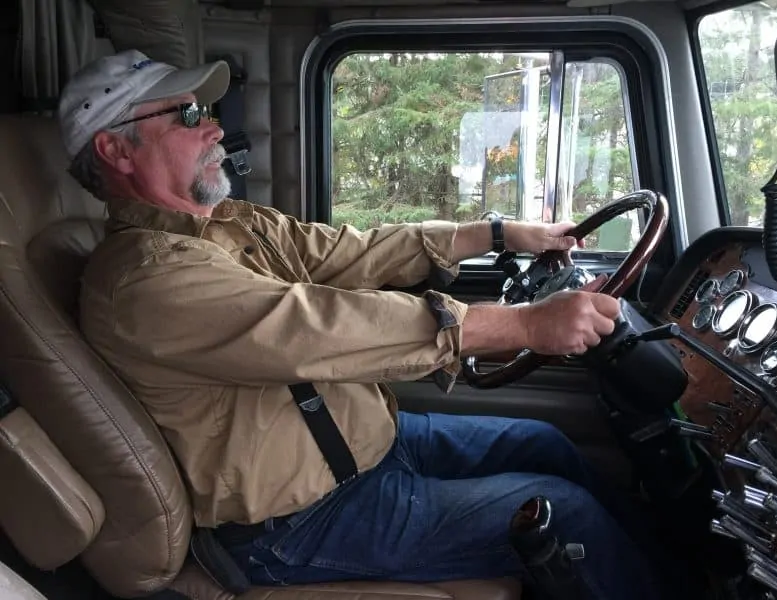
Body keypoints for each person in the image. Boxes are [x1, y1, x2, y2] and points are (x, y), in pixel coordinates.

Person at [58, 50, 667, 599]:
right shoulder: (143, 280)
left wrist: (498, 233)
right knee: (568, 511)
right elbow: (324, 327)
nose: (214, 126)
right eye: (187, 117)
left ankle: (669, 563)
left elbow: (349, 251)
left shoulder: (224, 224)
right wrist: (519, 326)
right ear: (116, 150)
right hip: (298, 521)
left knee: (544, 443)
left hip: (368, 445)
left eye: (206, 110)